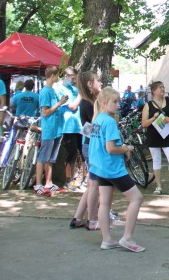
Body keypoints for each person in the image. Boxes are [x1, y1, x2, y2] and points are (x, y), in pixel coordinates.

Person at [88, 87, 145, 252]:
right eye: (115, 101)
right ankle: (127, 238)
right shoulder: (109, 122)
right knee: (137, 198)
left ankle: (107, 239)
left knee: (105, 202)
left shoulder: (97, 119)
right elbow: (111, 148)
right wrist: (126, 148)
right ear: (104, 103)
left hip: (99, 167)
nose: (118, 105)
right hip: (113, 168)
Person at [70, 71, 102, 229]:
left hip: (89, 146)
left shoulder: (88, 102)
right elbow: (92, 128)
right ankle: (92, 219)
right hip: (92, 147)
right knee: (95, 185)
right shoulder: (88, 103)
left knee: (92, 185)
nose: (100, 83)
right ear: (90, 84)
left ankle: (78, 217)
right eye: (98, 81)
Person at [141, 81, 169, 196]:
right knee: (156, 161)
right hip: (154, 136)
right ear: (154, 91)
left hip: (168, 135)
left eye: (163, 87)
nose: (163, 89)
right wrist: (153, 118)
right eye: (160, 87)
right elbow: (144, 123)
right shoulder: (148, 105)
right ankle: (158, 186)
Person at [35, 66, 69, 196]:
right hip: (49, 129)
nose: (58, 77)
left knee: (50, 158)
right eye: (57, 75)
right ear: (53, 75)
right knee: (43, 157)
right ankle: (38, 185)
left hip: (56, 129)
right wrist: (60, 103)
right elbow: (45, 112)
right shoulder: (45, 92)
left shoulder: (52, 90)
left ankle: (48, 183)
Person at [57, 67, 83, 191]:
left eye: (75, 79)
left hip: (79, 126)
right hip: (67, 127)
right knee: (70, 154)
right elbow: (72, 106)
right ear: (66, 76)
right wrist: (80, 95)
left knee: (82, 152)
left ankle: (81, 179)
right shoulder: (60, 89)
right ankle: (68, 180)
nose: (74, 81)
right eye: (72, 78)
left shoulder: (75, 89)